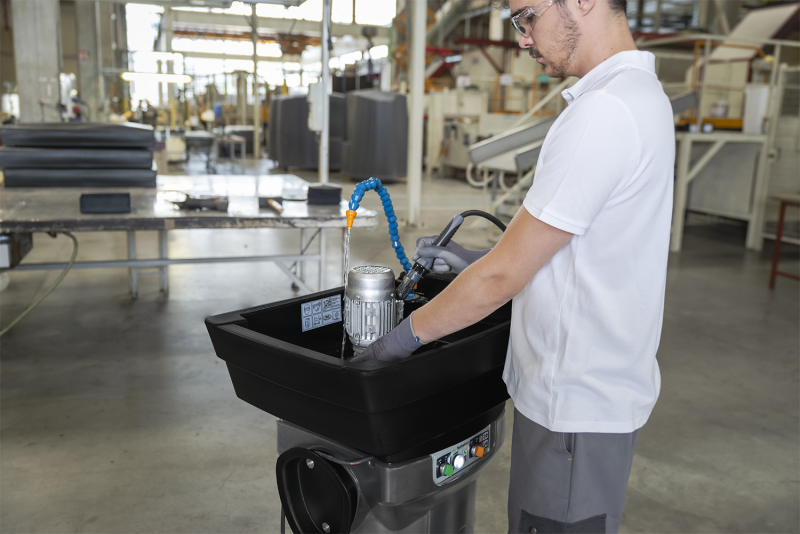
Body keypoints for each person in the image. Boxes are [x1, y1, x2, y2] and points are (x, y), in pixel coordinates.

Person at [351, 0, 675, 531]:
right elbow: (567, 245)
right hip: (595, 396)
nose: (523, 38)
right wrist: (474, 259)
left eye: (527, 16)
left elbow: (503, 279)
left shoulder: (604, 113)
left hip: (573, 406)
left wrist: (399, 341)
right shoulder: (640, 97)